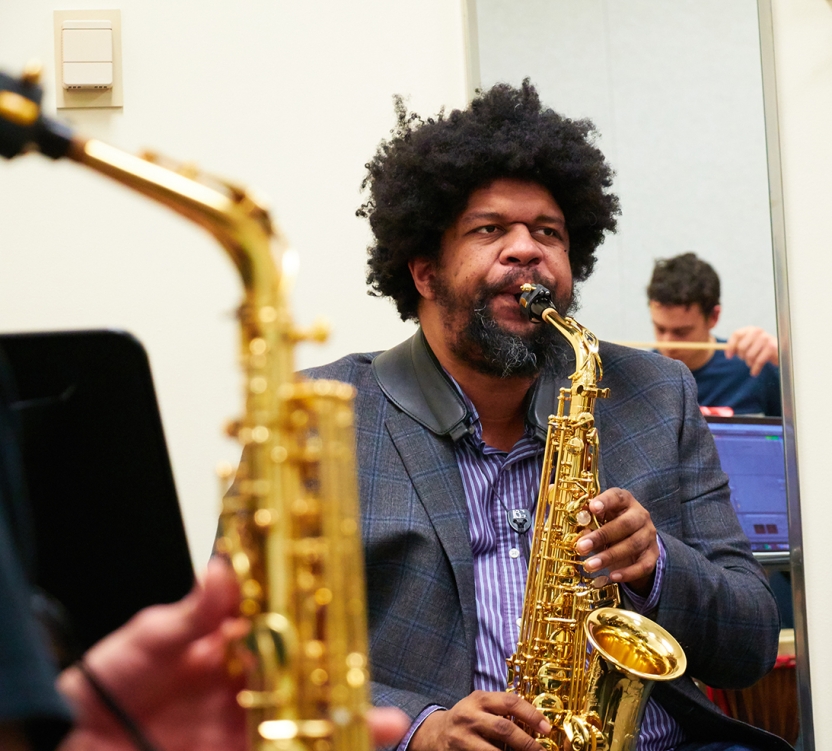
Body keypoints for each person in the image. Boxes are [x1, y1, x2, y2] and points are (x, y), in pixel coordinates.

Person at [306, 82, 790, 751]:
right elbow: (251, 656)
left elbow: (752, 641)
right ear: (423, 271)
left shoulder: (657, 392)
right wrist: (420, 730)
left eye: (548, 232)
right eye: (489, 229)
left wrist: (654, 565)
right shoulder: (323, 416)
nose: (526, 249)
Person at [647, 252, 781, 416]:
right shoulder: (642, 376)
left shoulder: (754, 368)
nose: (666, 343)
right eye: (660, 329)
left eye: (681, 332)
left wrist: (784, 360)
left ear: (713, 317)